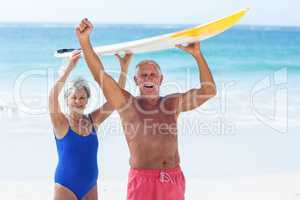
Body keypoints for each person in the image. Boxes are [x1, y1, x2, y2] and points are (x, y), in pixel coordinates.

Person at [76, 18, 217, 200]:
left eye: (153, 74)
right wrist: (85, 41)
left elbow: (209, 91)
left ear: (161, 79)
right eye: (143, 75)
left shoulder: (172, 104)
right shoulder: (127, 104)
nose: (148, 78)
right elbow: (100, 76)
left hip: (173, 180)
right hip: (142, 181)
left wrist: (197, 54)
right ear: (136, 80)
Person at [48, 50, 132, 200]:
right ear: (67, 100)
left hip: (90, 186)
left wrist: (124, 68)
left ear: (87, 100)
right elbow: (51, 97)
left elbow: (116, 99)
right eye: (74, 97)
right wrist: (69, 68)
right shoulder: (61, 123)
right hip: (66, 186)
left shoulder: (93, 120)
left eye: (82, 98)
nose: (78, 101)